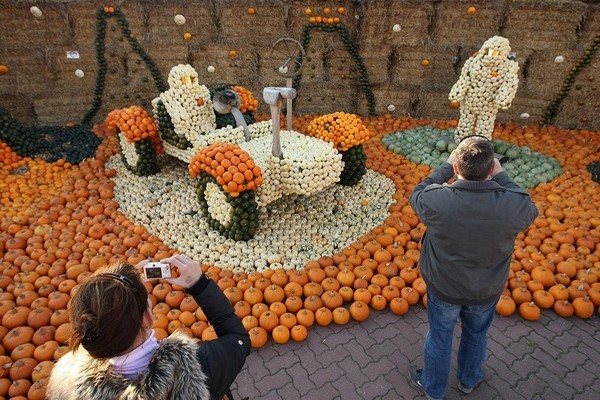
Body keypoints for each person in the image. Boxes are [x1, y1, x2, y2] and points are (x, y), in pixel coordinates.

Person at [408, 136, 538, 399]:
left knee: (440, 337)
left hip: (445, 287)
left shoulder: (438, 201)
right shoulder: (513, 206)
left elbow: (418, 192)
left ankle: (433, 389)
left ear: (457, 168)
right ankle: (468, 380)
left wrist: (446, 167)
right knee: (476, 334)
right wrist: (501, 176)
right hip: (486, 289)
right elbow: (526, 202)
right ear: (492, 168)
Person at [47, 254, 250, 400]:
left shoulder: (68, 379)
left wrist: (124, 289)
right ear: (147, 318)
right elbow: (237, 338)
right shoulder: (200, 365)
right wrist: (199, 284)